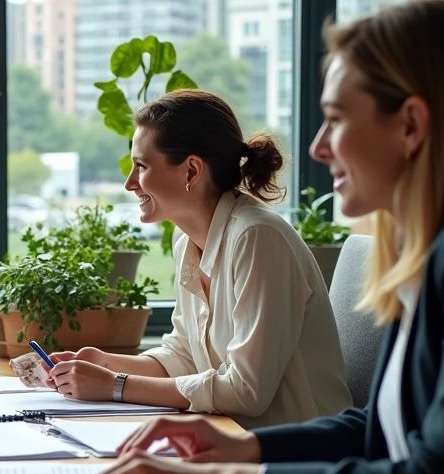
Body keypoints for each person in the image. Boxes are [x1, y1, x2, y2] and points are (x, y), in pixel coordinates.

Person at [61, 1, 444, 474]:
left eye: (334, 120)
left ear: (410, 125)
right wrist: (241, 451)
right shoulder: (431, 250)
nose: (318, 147)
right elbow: (380, 430)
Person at [47, 89, 352, 429]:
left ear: (191, 171)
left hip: (297, 454)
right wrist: (107, 364)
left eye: (141, 166)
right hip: (232, 439)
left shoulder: (258, 238)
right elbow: (185, 355)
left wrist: (116, 386)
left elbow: (246, 391)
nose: (129, 183)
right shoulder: (187, 240)